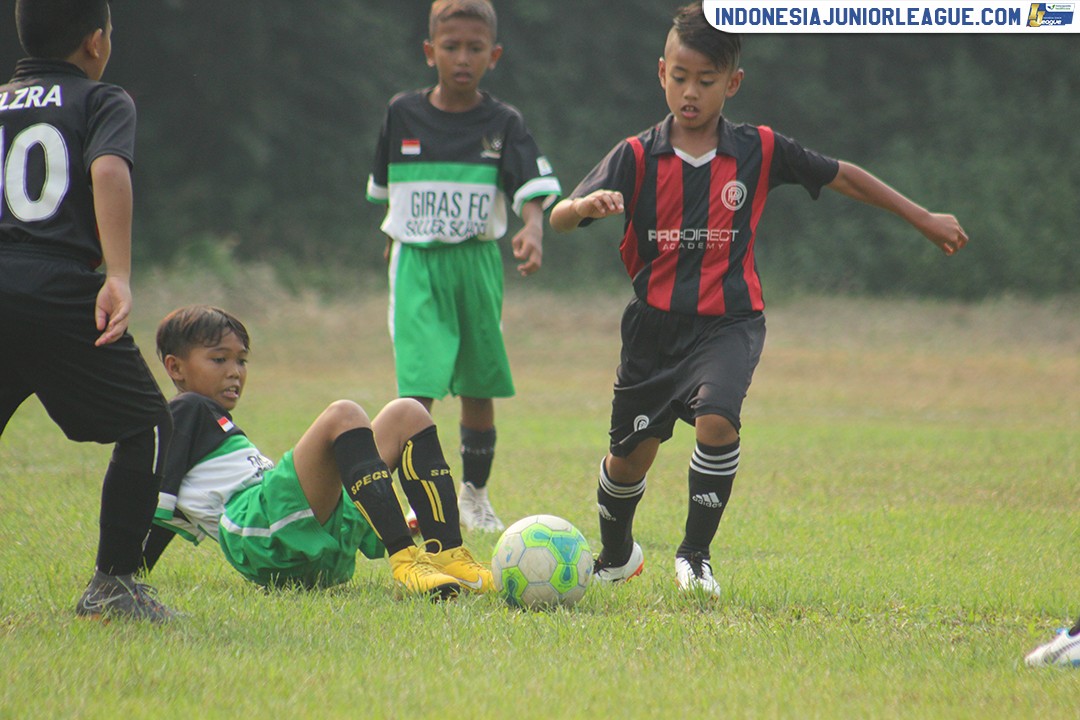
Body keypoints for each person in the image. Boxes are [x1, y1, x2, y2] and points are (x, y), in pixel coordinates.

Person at [549, 4, 969, 597]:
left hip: (730, 323)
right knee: (627, 462)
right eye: (679, 78)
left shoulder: (760, 149)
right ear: (661, 72)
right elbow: (560, 216)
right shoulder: (636, 155)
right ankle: (617, 555)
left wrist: (921, 216)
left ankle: (695, 557)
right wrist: (581, 208)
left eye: (706, 80)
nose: (690, 92)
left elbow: (842, 174)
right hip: (652, 331)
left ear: (733, 83)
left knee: (718, 420)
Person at [0, 0, 177, 622]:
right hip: (56, 289)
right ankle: (114, 586)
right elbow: (108, 172)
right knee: (151, 426)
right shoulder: (102, 100)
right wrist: (120, 275)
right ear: (96, 43)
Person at [366, 0, 562, 532]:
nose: (462, 57)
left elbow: (531, 188)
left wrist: (533, 227)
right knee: (418, 386)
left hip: (476, 263)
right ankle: (415, 500)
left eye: (475, 48)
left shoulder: (503, 122)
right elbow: (385, 191)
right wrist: (397, 238)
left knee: (479, 384)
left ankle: (474, 497)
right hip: (417, 265)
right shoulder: (401, 113)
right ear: (430, 52)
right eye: (450, 46)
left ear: (493, 55)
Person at [141, 305, 493, 599]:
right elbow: (156, 502)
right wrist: (124, 572)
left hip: (306, 537)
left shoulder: (215, 428)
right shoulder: (184, 410)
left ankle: (447, 555)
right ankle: (405, 562)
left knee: (409, 413)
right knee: (343, 414)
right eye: (219, 360)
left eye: (242, 361)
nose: (235, 372)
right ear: (175, 367)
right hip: (262, 534)